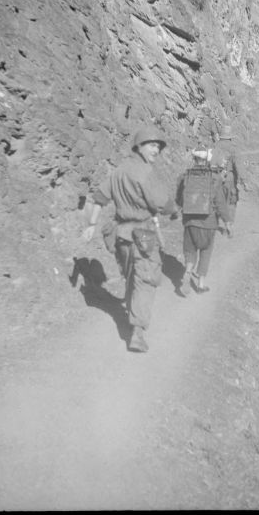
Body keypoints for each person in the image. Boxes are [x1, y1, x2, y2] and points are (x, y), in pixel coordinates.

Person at [82, 126, 178, 353]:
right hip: (143, 235)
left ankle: (131, 316)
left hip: (121, 236)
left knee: (131, 277)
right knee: (145, 280)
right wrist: (174, 209)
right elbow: (161, 203)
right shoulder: (145, 173)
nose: (156, 150)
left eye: (158, 146)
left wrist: (91, 225)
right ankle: (137, 332)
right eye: (152, 145)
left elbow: (99, 198)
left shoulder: (118, 171)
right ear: (139, 146)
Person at [175, 150, 232, 296]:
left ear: (194, 159)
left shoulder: (185, 177)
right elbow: (220, 203)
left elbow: (180, 200)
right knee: (206, 252)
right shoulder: (215, 178)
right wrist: (227, 221)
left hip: (190, 222)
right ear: (207, 161)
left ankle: (188, 271)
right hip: (209, 223)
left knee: (190, 250)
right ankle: (200, 284)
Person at [211, 122, 246, 223]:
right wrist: (243, 179)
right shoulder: (233, 147)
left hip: (215, 175)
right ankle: (229, 222)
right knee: (231, 198)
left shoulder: (215, 145)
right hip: (229, 176)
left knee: (216, 196)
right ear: (230, 136)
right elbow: (238, 165)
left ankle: (216, 217)